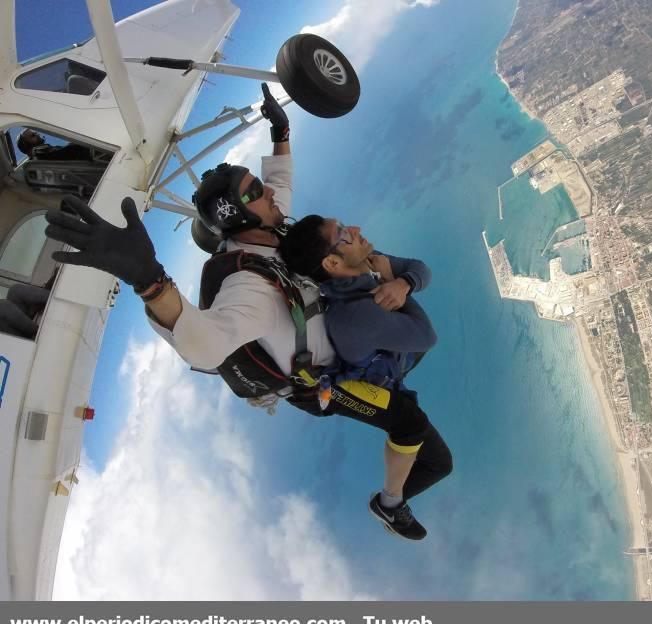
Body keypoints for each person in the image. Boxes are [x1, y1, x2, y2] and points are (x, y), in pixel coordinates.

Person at [44, 84, 451, 540]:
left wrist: (280, 132)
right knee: (409, 422)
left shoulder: (271, 235)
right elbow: (205, 346)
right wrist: (149, 280)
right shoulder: (250, 286)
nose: (271, 195)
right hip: (324, 384)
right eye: (255, 192)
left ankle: (402, 467)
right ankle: (388, 506)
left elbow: (281, 186)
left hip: (349, 349)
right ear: (241, 218)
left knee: (436, 457)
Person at [278, 214, 445, 537]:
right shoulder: (356, 315)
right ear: (331, 262)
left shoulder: (362, 263)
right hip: (352, 386)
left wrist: (404, 282)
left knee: (437, 460)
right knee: (413, 428)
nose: (354, 229)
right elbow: (426, 336)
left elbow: (421, 268)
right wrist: (391, 284)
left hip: (388, 362)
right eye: (343, 234)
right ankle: (389, 503)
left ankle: (391, 502)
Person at [16, 129, 93, 162]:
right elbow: (66, 153)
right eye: (33, 135)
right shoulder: (38, 152)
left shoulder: (38, 156)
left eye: (35, 133)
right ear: (26, 145)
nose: (37, 134)